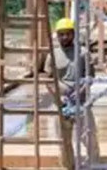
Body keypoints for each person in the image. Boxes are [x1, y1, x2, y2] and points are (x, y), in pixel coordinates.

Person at [44, 17, 100, 163]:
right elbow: (49, 80)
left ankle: (93, 164)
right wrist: (58, 97)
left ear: (73, 34)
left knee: (89, 139)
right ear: (57, 35)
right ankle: (68, 166)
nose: (64, 37)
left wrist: (81, 90)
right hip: (62, 105)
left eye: (67, 33)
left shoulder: (83, 53)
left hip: (82, 103)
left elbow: (90, 76)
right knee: (64, 142)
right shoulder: (52, 55)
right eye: (61, 34)